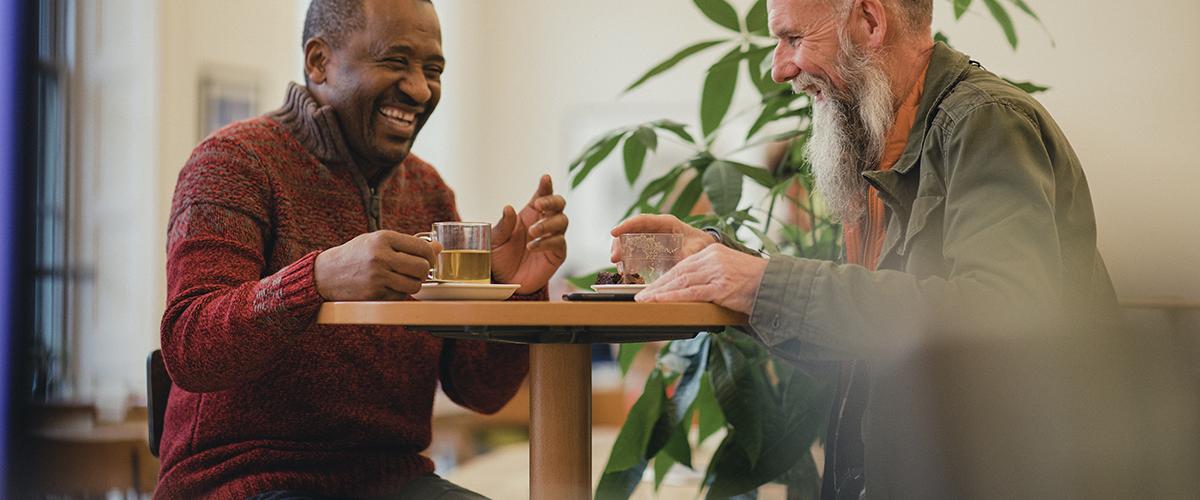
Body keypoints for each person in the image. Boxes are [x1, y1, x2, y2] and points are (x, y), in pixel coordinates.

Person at [612, 0, 1117, 498]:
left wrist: (761, 283)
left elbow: (998, 315)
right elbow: (868, 343)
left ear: (870, 21)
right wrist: (726, 266)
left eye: (792, 38)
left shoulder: (986, 123)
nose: (778, 69)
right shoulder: (881, 140)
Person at [157, 0, 568, 498]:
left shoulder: (427, 189)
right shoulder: (232, 163)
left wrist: (512, 291)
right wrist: (317, 279)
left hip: (395, 478)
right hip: (240, 480)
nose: (419, 89)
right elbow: (190, 344)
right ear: (318, 63)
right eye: (395, 62)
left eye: (432, 69)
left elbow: (480, 391)